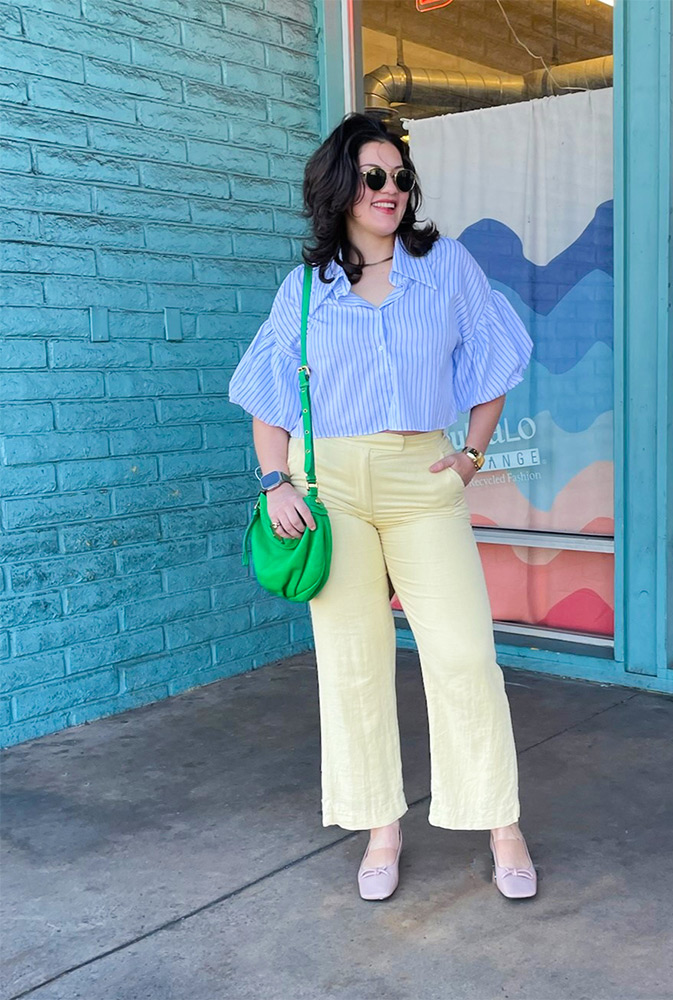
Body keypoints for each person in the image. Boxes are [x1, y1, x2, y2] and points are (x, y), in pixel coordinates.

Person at [229, 113, 536, 901]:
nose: (391, 189)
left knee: (465, 652)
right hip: (328, 478)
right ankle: (380, 827)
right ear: (340, 186)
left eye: (400, 177)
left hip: (420, 475)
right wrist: (275, 482)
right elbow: (269, 392)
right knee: (353, 663)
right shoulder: (305, 288)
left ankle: (500, 821)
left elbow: (496, 357)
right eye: (374, 176)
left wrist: (471, 454)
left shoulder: (448, 267)